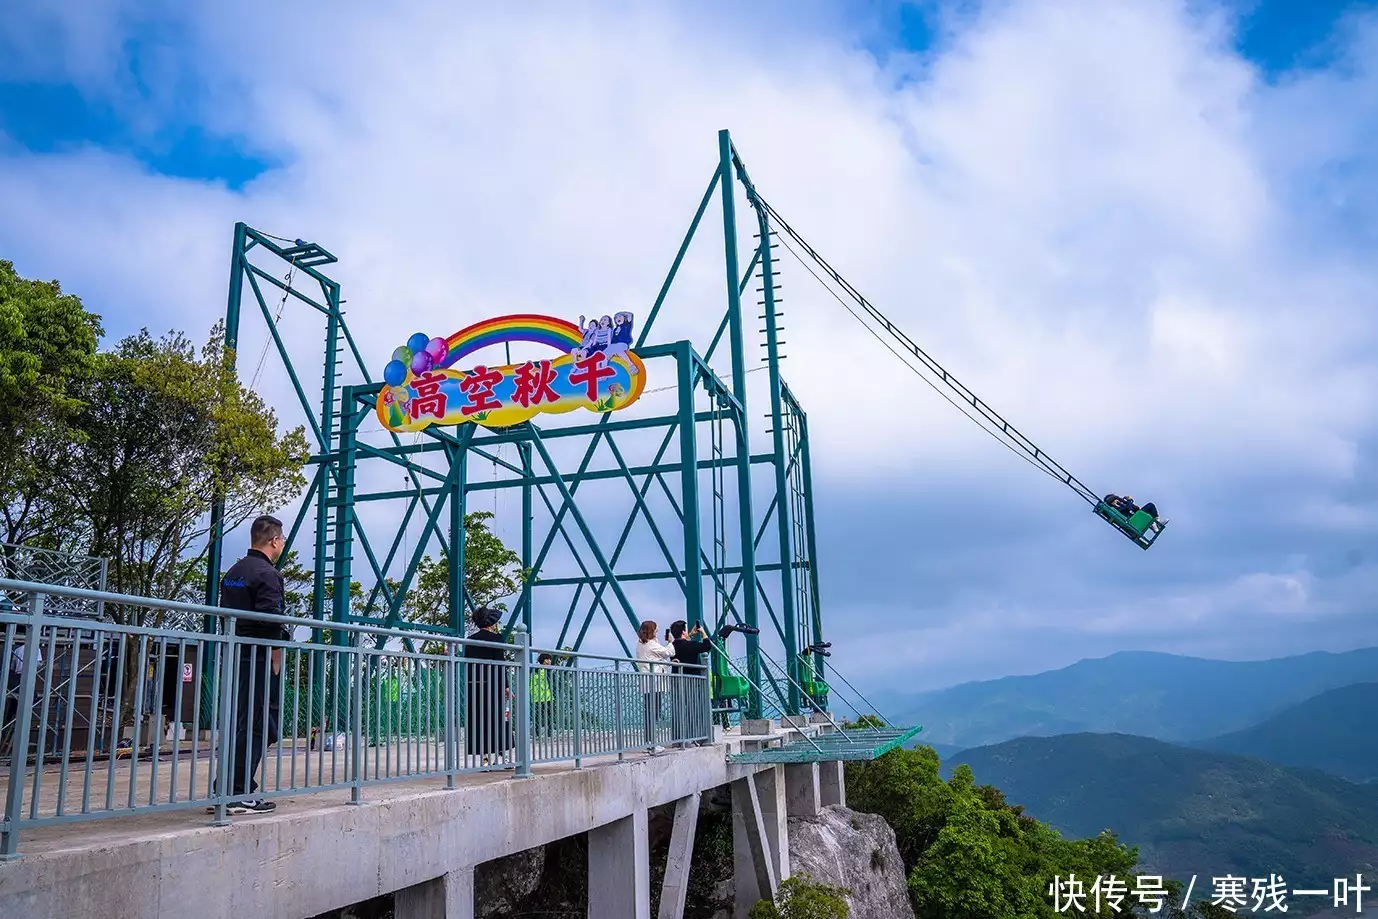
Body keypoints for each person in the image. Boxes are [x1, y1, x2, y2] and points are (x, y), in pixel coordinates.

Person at [214, 514, 289, 815]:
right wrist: (275, 658)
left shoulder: (234, 571)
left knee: (238, 723)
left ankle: (225, 788)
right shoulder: (269, 574)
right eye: (281, 539)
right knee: (260, 724)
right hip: (258, 657)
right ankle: (238, 792)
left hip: (235, 655)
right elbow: (270, 620)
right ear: (273, 541)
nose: (282, 544)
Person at [465, 607, 512, 767]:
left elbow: (468, 663)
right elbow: (500, 663)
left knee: (480, 720)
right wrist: (506, 686)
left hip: (476, 685)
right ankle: (502, 756)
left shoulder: (471, 640)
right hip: (494, 685)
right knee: (499, 720)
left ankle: (484, 759)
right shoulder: (496, 639)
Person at [634, 621, 672, 755]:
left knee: (649, 712)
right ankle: (653, 744)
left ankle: (649, 743)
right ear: (652, 631)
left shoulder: (640, 644)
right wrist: (670, 641)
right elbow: (669, 652)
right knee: (654, 712)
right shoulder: (652, 645)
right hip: (655, 683)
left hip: (646, 682)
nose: (657, 632)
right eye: (656, 630)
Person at [530, 653, 555, 741]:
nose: (549, 661)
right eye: (547, 659)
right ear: (542, 660)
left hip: (548, 696)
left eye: (550, 659)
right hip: (538, 696)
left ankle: (549, 733)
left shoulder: (549, 671)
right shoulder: (535, 669)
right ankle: (537, 733)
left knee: (549, 715)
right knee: (538, 715)